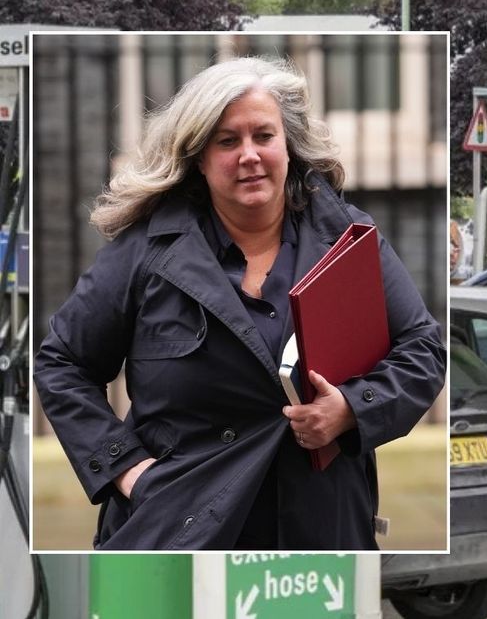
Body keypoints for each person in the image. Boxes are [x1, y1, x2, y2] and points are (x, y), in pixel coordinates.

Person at [34, 57, 446, 550]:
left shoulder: (348, 240)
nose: (249, 154)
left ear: (288, 147)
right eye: (227, 141)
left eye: (263, 136)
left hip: (320, 531)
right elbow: (62, 364)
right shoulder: (145, 251)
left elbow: (423, 349)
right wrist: (128, 472)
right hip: (179, 529)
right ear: (199, 158)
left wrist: (353, 409)